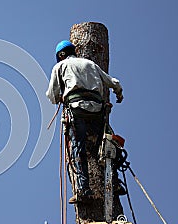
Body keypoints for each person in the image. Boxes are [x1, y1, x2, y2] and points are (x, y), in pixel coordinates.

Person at [46, 40, 124, 204]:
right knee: (105, 145)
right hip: (97, 110)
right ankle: (114, 182)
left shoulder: (60, 67)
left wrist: (61, 97)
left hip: (77, 109)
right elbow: (113, 82)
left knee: (78, 148)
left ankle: (84, 190)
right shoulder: (90, 64)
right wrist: (119, 94)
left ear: (61, 55)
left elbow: (52, 95)